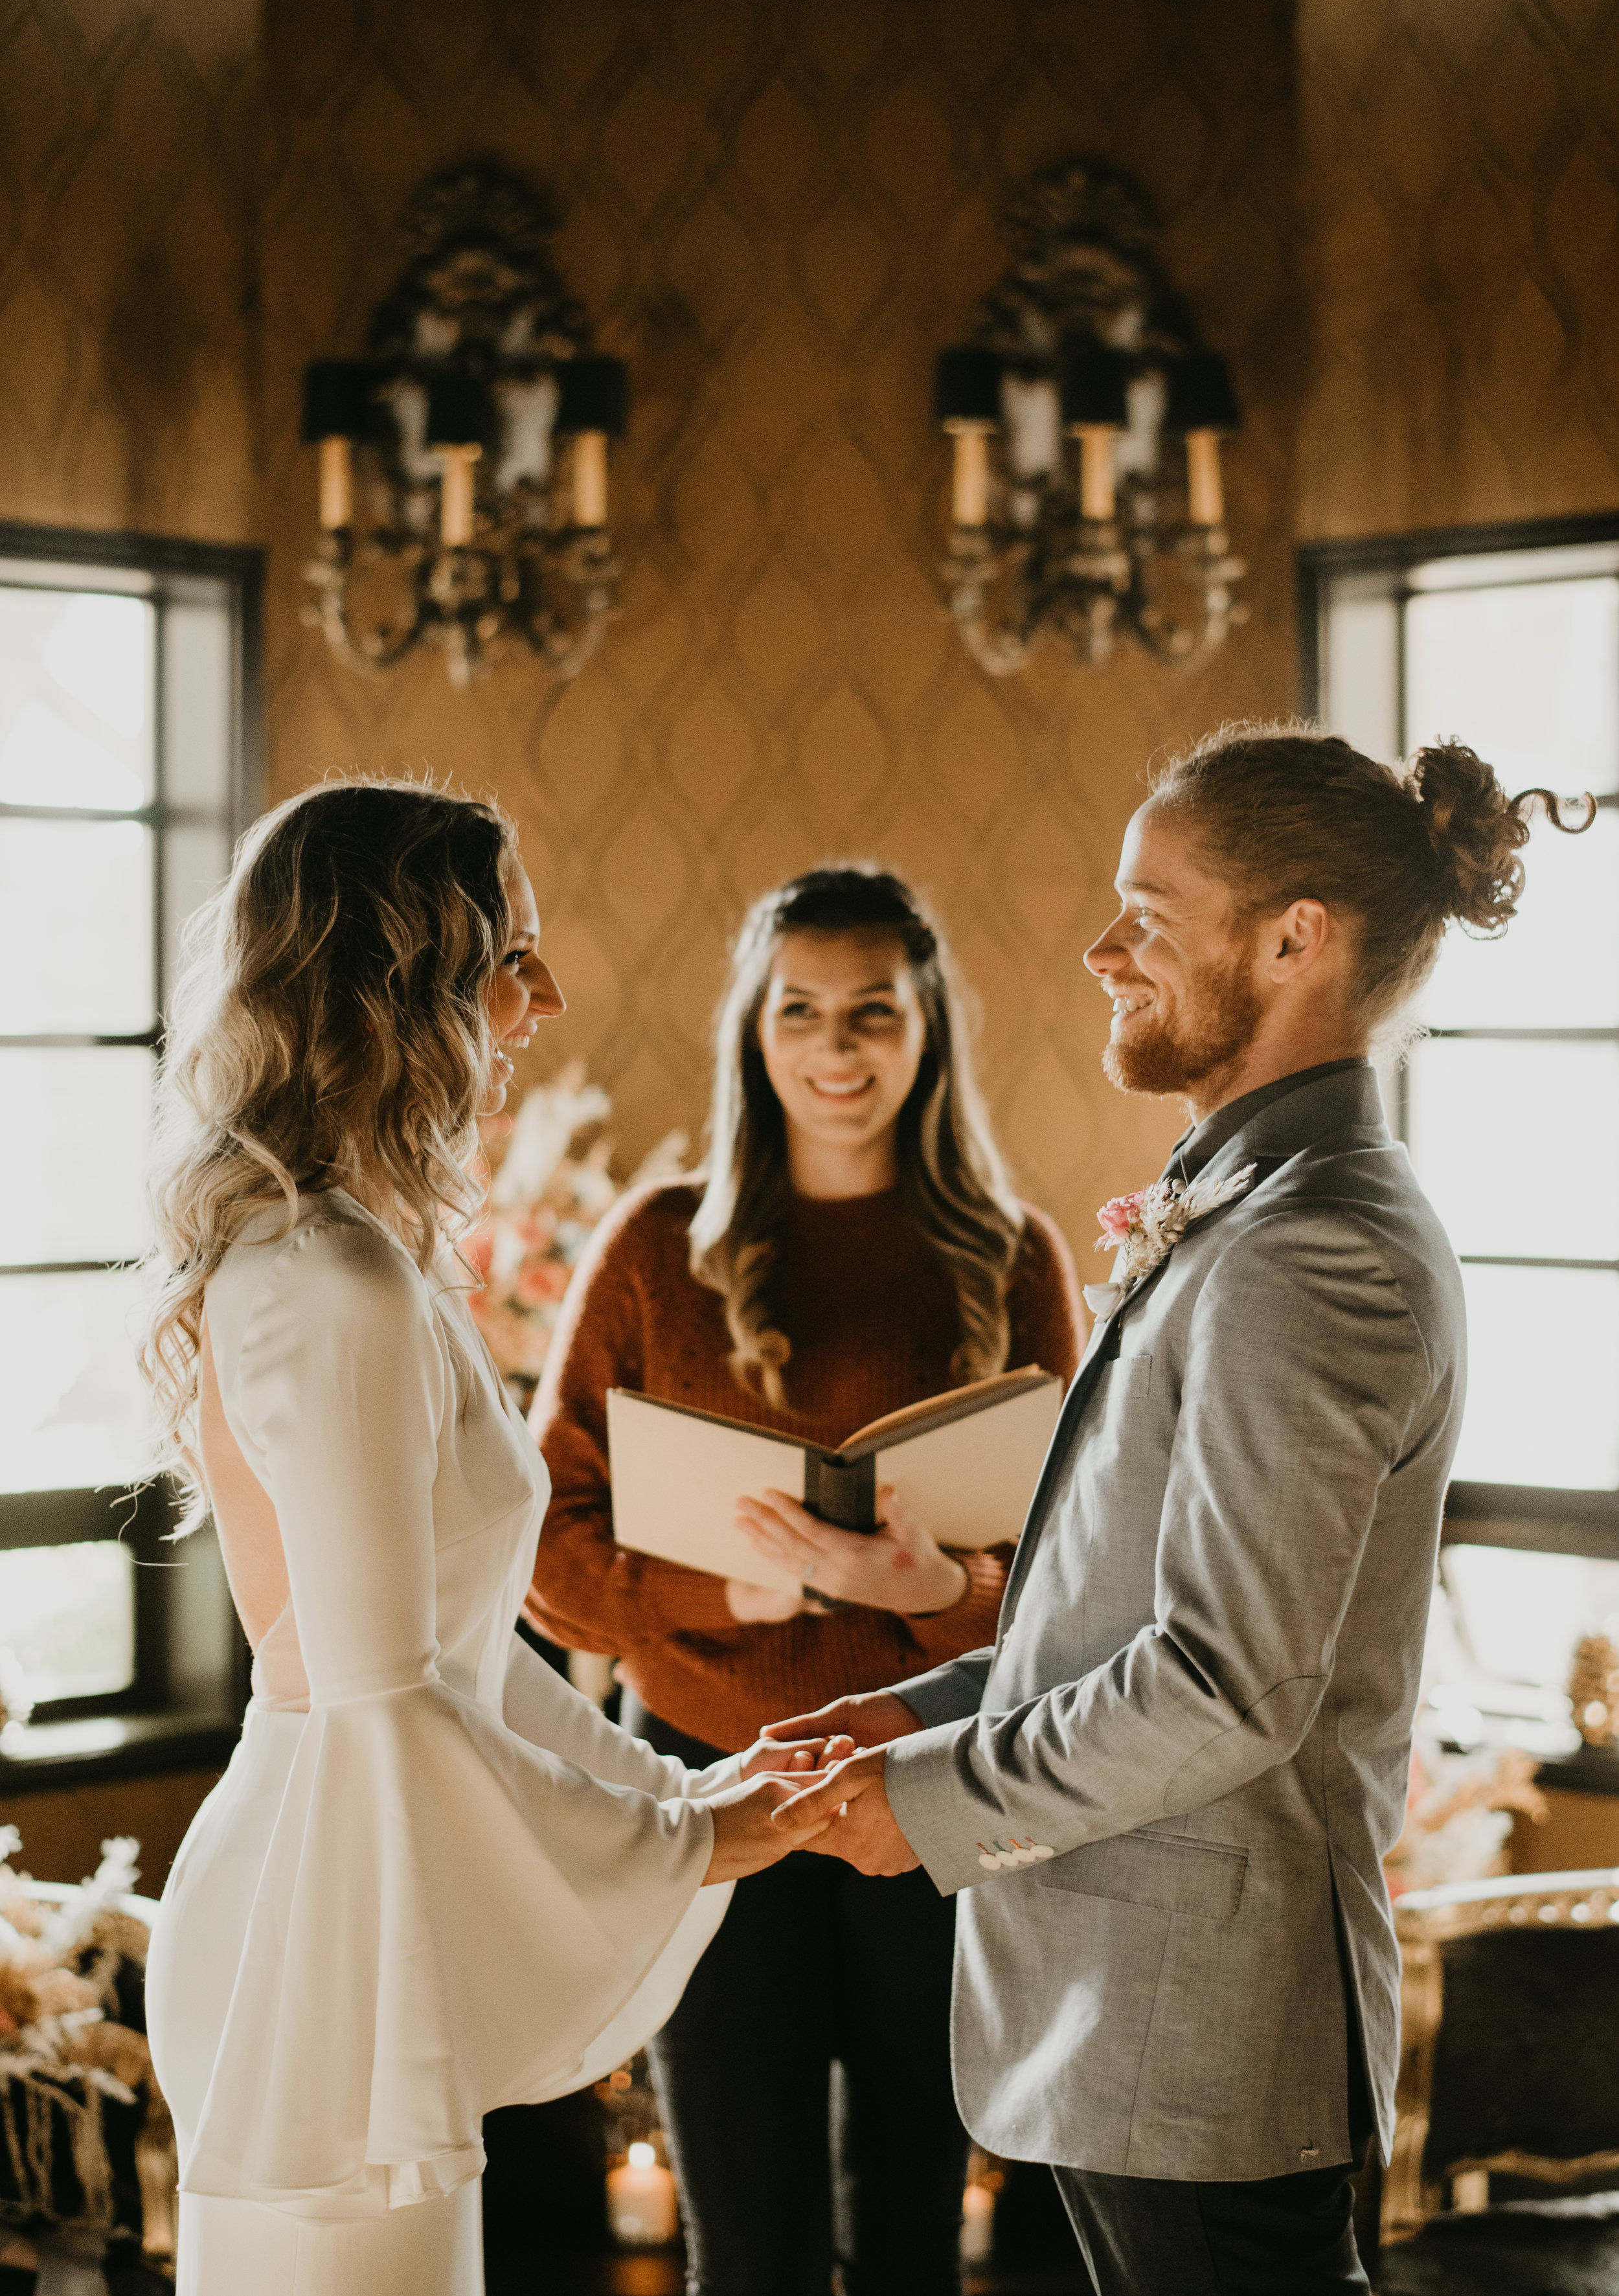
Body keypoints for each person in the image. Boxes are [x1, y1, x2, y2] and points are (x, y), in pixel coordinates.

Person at [769, 726, 1594, 2295]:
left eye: (1144, 914)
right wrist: (916, 1714)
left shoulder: (1314, 1250)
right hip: (1132, 2022)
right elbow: (1125, 1609)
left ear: (1295, 938)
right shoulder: (1251, 1210)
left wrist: (932, 1800)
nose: (1098, 951)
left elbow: (1225, 1682)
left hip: (1203, 2041)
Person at [139, 779, 832, 2296]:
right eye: (512, 954)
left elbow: (458, 1654)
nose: (549, 994)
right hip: (324, 1926)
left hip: (358, 1885)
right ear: (404, 984)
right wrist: (693, 1840)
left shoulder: (355, 1256)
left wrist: (675, 1789)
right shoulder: (332, 1278)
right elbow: (387, 1700)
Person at [525, 863, 1083, 2296]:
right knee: (745, 2236)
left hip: (934, 1783)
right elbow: (544, 1561)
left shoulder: (1011, 1258)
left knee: (911, 2227)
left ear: (925, 1028)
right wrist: (741, 1598)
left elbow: (1077, 1581)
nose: (836, 1051)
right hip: (707, 1783)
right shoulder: (655, 1247)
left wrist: (933, 1588)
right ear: (754, 1032)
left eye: (872, 1014)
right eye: (801, 1014)